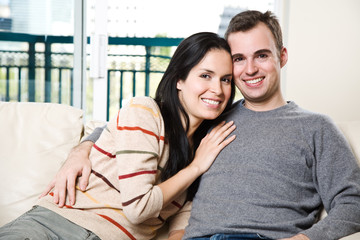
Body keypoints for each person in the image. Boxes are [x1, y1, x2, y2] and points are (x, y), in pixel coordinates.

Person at [40, 10, 360, 240]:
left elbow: (352, 203)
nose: (250, 69)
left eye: (261, 55)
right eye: (238, 59)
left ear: (282, 56)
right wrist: (82, 148)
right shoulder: (211, 119)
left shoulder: (316, 128)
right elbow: (132, 126)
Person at [0, 32, 237, 240]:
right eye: (205, 76)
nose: (217, 89)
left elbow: (186, 211)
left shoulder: (208, 145)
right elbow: (138, 208)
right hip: (55, 224)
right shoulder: (146, 113)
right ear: (179, 80)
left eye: (225, 79)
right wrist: (196, 167)